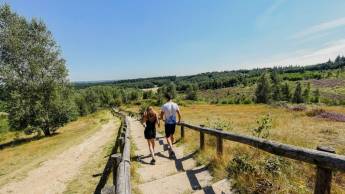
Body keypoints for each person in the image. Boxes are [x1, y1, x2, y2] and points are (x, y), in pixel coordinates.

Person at [160, 93, 181, 158]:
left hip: (167, 123)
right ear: (171, 98)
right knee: (171, 134)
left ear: (166, 98)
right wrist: (179, 121)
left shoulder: (164, 105)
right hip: (173, 122)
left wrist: (163, 119)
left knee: (168, 136)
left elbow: (161, 114)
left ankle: (171, 150)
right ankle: (171, 145)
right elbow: (179, 114)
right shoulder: (175, 105)